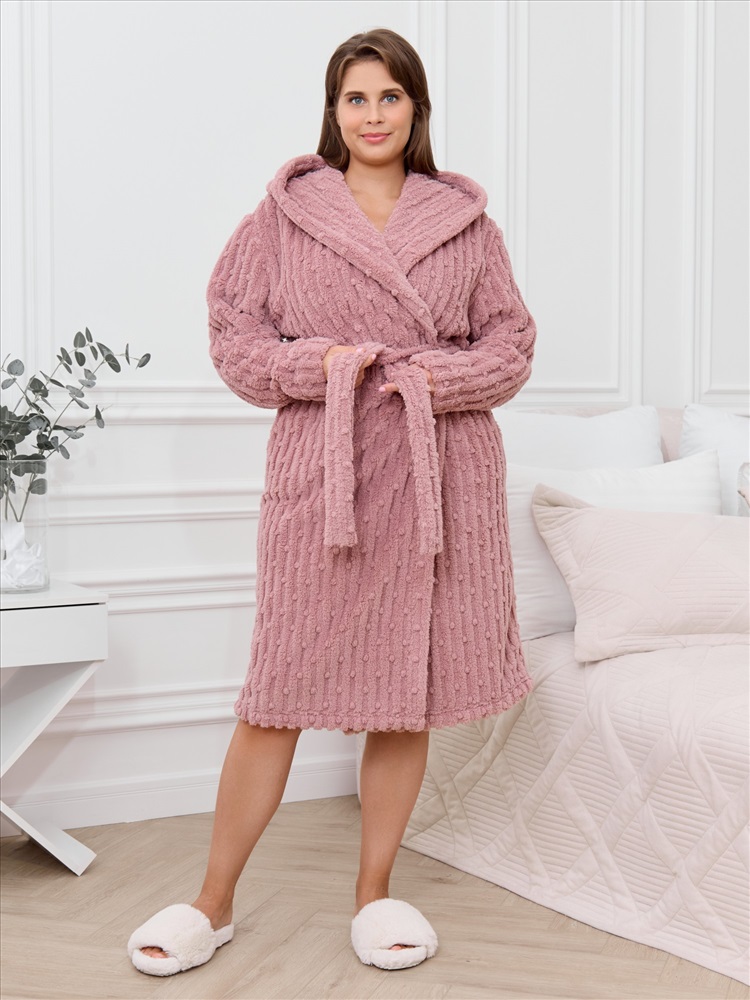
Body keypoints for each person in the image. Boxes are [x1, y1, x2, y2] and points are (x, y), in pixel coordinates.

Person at [127, 26, 536, 976]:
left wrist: (428, 377)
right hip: (325, 473)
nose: (373, 115)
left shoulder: (467, 225)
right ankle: (212, 901)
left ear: (416, 108)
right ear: (333, 109)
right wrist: (322, 367)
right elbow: (234, 334)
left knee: (403, 695)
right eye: (356, 98)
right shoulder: (284, 216)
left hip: (437, 475)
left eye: (390, 97)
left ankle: (374, 891)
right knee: (276, 691)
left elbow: (510, 344)